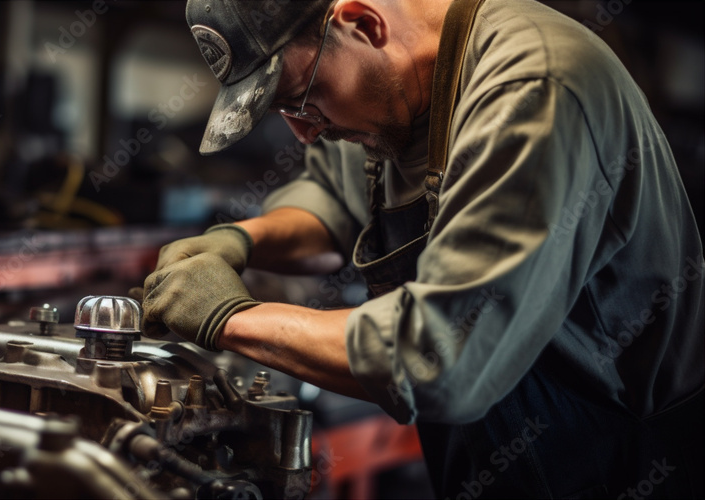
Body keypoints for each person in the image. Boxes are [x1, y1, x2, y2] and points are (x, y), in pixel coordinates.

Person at [136, 0, 704, 497]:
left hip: (621, 465)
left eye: (303, 101)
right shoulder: (387, 93)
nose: (304, 134)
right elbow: (332, 200)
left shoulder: (534, 89)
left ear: (362, 22)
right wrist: (237, 242)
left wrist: (228, 318)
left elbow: (441, 356)